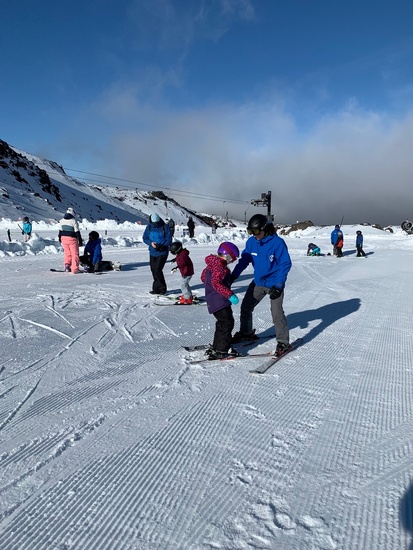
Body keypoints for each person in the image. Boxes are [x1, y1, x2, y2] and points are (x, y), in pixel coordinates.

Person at [230, 214, 292, 357]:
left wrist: (279, 285)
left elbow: (285, 264)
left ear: (265, 229)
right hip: (258, 282)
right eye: (250, 232)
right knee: (246, 307)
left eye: (256, 231)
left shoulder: (277, 243)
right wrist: (233, 276)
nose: (254, 235)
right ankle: (246, 333)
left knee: (276, 312)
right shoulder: (252, 242)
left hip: (274, 283)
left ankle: (283, 342)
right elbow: (244, 261)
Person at [201, 242, 240, 360]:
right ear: (227, 255)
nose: (232, 261)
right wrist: (230, 295)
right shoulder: (219, 267)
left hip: (212, 299)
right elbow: (216, 283)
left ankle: (217, 346)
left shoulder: (212, 264)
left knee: (222, 323)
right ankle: (222, 350)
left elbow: (203, 278)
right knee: (227, 322)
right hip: (220, 300)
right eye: (232, 258)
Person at [143, 213, 172, 295]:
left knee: (158, 270)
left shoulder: (165, 227)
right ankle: (156, 289)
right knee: (153, 270)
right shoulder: (149, 227)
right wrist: (151, 243)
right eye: (154, 223)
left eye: (157, 222)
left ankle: (163, 289)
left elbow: (169, 239)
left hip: (162, 251)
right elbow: (145, 238)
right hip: (152, 251)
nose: (156, 224)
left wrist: (163, 246)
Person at [58, 208, 83, 273]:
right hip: (72, 239)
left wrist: (60, 238)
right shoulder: (73, 221)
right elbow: (77, 231)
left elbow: (60, 231)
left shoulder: (62, 220)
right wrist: (80, 240)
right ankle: (75, 269)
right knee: (74, 254)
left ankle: (67, 266)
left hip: (63, 238)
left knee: (67, 253)